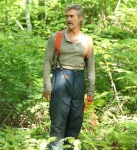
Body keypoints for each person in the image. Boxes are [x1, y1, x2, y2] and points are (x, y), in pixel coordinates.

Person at [43, 4, 95, 150]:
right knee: (58, 118)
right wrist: (47, 86)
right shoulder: (56, 37)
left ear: (80, 18)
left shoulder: (87, 41)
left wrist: (91, 90)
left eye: (72, 16)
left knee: (75, 119)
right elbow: (47, 63)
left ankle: (70, 147)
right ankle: (56, 147)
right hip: (60, 77)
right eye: (67, 16)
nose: (68, 19)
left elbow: (90, 67)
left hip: (79, 79)